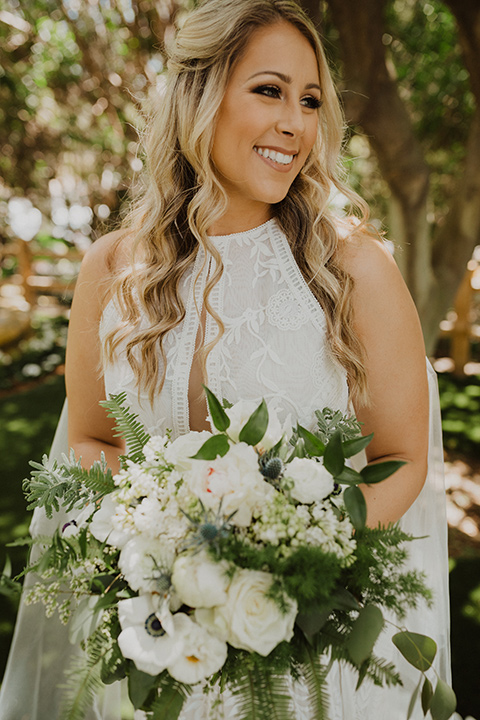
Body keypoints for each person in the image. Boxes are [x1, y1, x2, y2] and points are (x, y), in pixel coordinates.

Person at [0, 1, 451, 718]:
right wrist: (164, 531)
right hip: (156, 646)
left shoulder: (353, 269)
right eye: (269, 90)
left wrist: (296, 554)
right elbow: (90, 438)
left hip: (307, 661)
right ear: (197, 96)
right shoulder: (111, 268)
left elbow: (403, 456)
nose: (295, 124)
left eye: (309, 101)